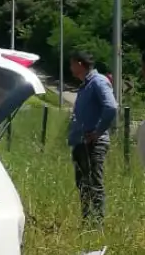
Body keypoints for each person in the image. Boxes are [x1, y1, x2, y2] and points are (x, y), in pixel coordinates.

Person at [67, 50, 118, 226]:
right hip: (81, 143)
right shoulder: (85, 85)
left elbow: (111, 107)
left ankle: (97, 224)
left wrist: (97, 131)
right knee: (83, 184)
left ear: (80, 64)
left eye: (72, 63)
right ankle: (86, 221)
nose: (70, 68)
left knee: (94, 183)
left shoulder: (98, 81)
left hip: (93, 143)